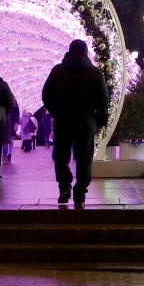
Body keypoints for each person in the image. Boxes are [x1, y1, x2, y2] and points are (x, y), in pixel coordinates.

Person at [41, 40, 109, 209]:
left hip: (63, 120)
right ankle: (80, 193)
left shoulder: (57, 71)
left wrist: (56, 112)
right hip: (85, 122)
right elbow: (103, 100)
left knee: (61, 156)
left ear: (69, 51)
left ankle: (64, 187)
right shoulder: (95, 73)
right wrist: (100, 121)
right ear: (86, 52)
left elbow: (46, 94)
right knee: (84, 158)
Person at [2, 97, 21, 164]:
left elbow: (17, 114)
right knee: (8, 142)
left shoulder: (14, 102)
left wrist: (16, 123)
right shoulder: (3, 101)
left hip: (10, 125)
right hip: (7, 125)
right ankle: (6, 156)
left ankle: (8, 156)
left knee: (10, 141)